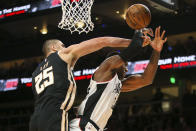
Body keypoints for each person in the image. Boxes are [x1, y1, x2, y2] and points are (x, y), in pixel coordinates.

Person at [29, 33, 151, 131]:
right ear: (54, 48)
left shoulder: (35, 73)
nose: (65, 48)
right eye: (63, 45)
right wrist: (135, 43)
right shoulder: (62, 54)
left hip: (35, 120)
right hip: (54, 116)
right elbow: (102, 41)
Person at [69, 26, 167, 131]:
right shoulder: (105, 69)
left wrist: (156, 51)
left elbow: (146, 79)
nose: (126, 69)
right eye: (124, 64)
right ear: (115, 63)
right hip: (82, 126)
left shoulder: (116, 84)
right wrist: (139, 31)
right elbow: (132, 49)